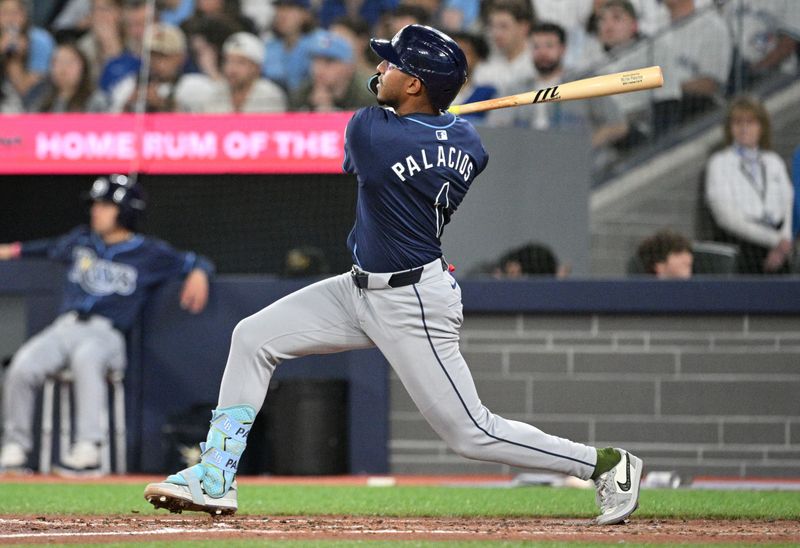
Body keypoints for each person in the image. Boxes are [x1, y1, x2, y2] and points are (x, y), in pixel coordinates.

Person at [144, 24, 642, 526]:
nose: (380, 68)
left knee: (472, 434)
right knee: (253, 337)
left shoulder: (370, 132)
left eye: (392, 65)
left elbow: (376, 131)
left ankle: (605, 464)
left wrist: (423, 119)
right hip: (359, 289)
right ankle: (215, 474)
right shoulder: (468, 141)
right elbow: (444, 136)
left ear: (416, 85)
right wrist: (434, 118)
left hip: (413, 303)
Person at [0, 174, 214, 474]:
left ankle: (88, 447)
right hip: (65, 327)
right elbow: (45, 247)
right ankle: (15, 447)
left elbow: (195, 261)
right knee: (22, 364)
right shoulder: (81, 240)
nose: (96, 211)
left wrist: (199, 273)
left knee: (86, 359)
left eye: (105, 205)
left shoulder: (149, 252)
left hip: (105, 334)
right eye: (96, 204)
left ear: (126, 211)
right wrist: (10, 250)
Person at [487, 22, 629, 166]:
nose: (542, 52)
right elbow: (496, 129)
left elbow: (618, 125)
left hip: (577, 167)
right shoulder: (516, 89)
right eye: (536, 47)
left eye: (549, 46)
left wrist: (583, 147)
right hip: (527, 166)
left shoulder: (584, 84)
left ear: (562, 49)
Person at [705, 96, 794, 274]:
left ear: (762, 127)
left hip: (779, 249)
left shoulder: (773, 161)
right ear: (730, 128)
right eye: (738, 122)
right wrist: (774, 240)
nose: (744, 128)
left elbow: (787, 204)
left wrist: (783, 243)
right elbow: (726, 217)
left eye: (751, 122)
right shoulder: (719, 163)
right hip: (741, 247)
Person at [202, 31, 286, 113]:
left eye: (240, 62)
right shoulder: (215, 95)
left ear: (257, 68)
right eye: (228, 61)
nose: (231, 69)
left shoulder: (270, 95)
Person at [290, 30, 374, 112]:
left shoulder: (368, 97)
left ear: (349, 67)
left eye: (329, 61)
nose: (319, 69)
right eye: (315, 60)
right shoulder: (303, 93)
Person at [471, 0, 534, 96]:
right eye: (493, 26)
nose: (496, 34)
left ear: (524, 27)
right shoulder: (484, 67)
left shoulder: (539, 61)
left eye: (503, 26)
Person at [0, 0, 55, 106]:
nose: (10, 19)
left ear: (24, 15)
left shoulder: (40, 40)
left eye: (15, 13)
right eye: (4, 13)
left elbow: (24, 89)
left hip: (35, 101)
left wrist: (15, 57)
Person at [32, 42, 109, 113]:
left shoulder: (95, 100)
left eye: (69, 62)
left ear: (83, 68)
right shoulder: (42, 101)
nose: (63, 68)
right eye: (58, 62)